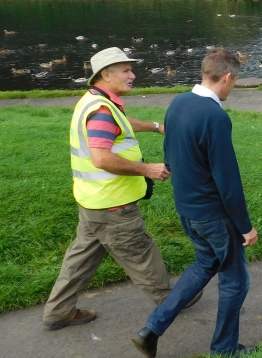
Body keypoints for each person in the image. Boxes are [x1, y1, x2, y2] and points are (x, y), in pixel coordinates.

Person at [43, 47, 179, 331]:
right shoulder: (103, 109)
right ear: (106, 74)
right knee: (140, 253)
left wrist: (156, 127)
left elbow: (120, 126)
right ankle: (173, 302)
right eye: (126, 70)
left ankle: (59, 312)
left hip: (92, 201)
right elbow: (101, 158)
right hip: (112, 205)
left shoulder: (95, 100)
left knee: (81, 258)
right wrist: (148, 169)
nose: (133, 75)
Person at [133, 49, 257, 358]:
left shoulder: (178, 103)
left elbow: (171, 156)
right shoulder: (214, 116)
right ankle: (224, 348)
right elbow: (228, 181)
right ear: (226, 77)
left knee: (204, 264)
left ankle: (151, 328)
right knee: (235, 281)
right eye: (235, 80)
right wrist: (245, 227)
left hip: (188, 212)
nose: (234, 87)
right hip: (215, 217)